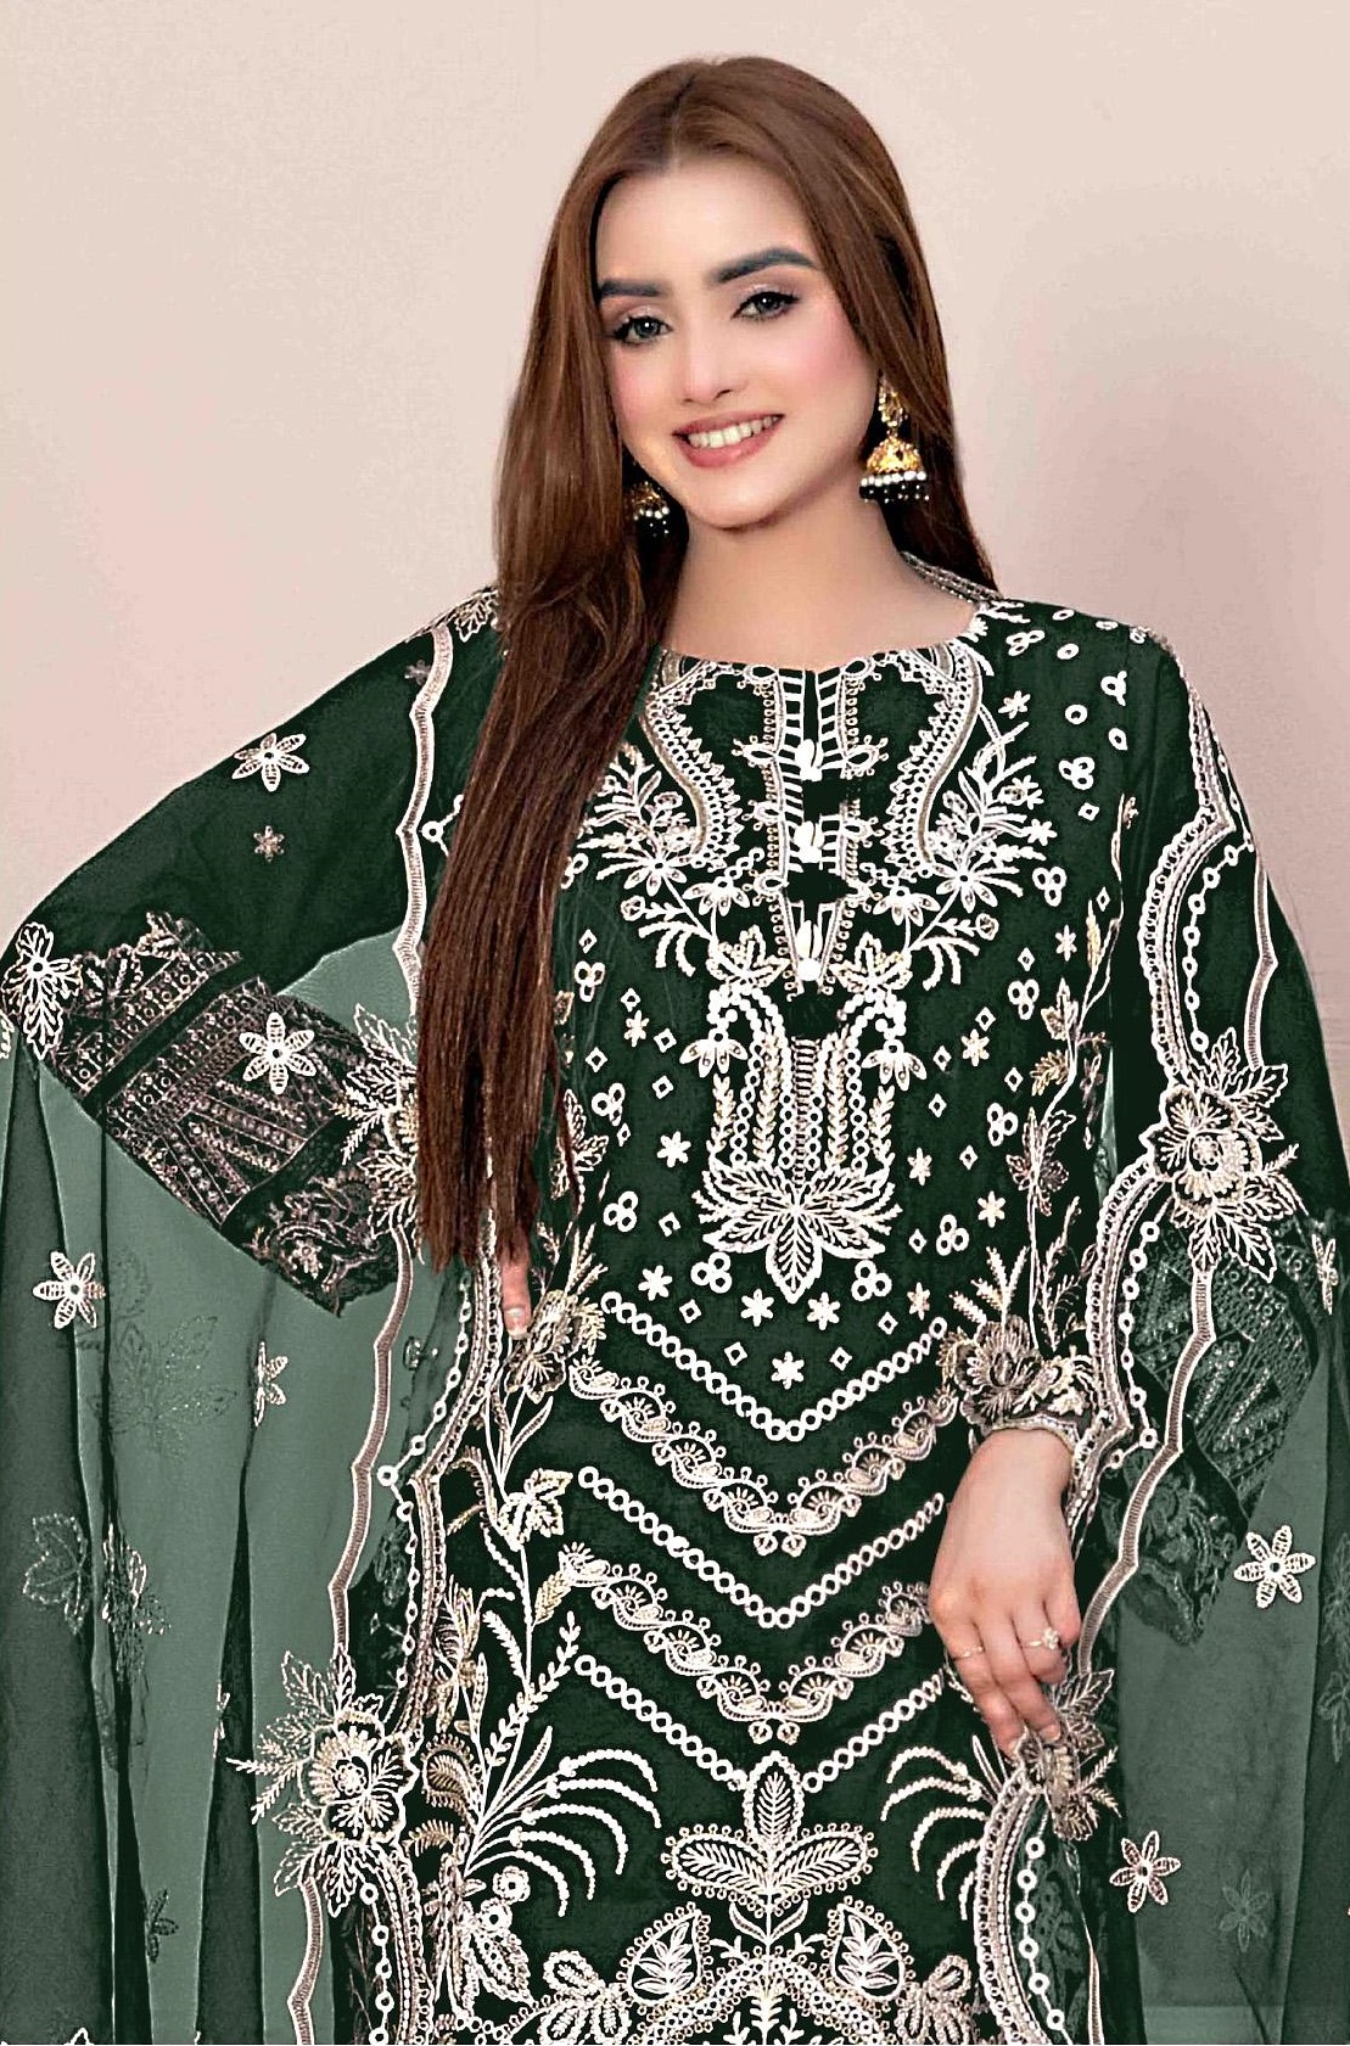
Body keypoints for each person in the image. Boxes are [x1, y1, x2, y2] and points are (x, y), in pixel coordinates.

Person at [0, 50, 1345, 2046]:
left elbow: (1246, 1190)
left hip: (953, 1705)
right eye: (639, 322)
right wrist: (417, 1178)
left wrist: (1050, 1438)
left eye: (760, 297)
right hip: (550, 1705)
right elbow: (86, 957)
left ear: (878, 315)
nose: (700, 371)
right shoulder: (505, 695)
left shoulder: (1097, 718)